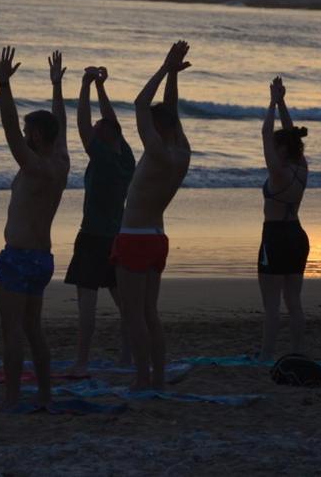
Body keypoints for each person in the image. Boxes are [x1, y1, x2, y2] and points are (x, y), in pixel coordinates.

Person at [113, 41, 192, 391]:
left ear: (156, 129)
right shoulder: (182, 151)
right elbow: (168, 110)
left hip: (135, 237)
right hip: (157, 237)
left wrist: (163, 67)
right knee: (150, 313)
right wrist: (174, 75)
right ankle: (156, 376)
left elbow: (139, 104)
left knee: (134, 315)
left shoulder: (158, 152)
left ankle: (144, 377)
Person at [0, 47, 69, 407]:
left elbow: (9, 128)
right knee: (33, 330)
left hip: (20, 257)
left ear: (36, 135)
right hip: (42, 259)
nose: (23, 134)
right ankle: (43, 395)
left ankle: (11, 399)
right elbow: (61, 123)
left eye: (28, 131)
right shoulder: (61, 161)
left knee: (13, 333)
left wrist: (4, 84)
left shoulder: (36, 167)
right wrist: (56, 85)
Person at [65, 66, 135, 374]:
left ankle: (81, 361)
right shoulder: (125, 158)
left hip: (93, 237)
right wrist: (101, 88)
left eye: (97, 130)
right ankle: (127, 357)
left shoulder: (104, 159)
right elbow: (112, 124)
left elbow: (82, 124)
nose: (92, 129)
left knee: (87, 305)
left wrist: (84, 85)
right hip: (117, 238)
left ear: (102, 138)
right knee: (125, 304)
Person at [258, 76, 310, 362]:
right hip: (297, 236)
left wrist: (271, 103)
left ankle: (266, 355)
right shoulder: (302, 168)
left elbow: (266, 133)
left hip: (275, 237)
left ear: (281, 149)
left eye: (277, 146)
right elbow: (290, 135)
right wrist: (282, 102)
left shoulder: (277, 173)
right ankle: (298, 351)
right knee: (294, 302)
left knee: (271, 305)